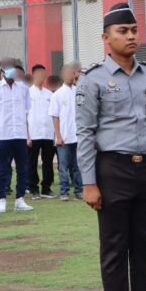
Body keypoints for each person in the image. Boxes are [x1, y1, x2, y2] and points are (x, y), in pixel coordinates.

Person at [75, 3, 146, 291]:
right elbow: (86, 133)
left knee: (145, 250)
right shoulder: (92, 79)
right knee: (115, 251)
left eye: (133, 30)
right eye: (122, 31)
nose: (131, 36)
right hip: (113, 170)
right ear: (106, 37)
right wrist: (89, 182)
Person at [0, 62, 33, 213]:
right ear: (2, 71)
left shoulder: (23, 88)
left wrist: (27, 134)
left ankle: (20, 199)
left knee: (22, 168)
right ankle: (1, 199)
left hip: (19, 134)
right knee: (3, 168)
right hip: (3, 134)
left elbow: (26, 111)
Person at [50, 64, 83, 201]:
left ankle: (79, 190)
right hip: (63, 136)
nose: (71, 75)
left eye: (73, 73)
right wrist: (58, 135)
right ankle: (64, 191)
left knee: (77, 165)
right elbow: (55, 116)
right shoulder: (57, 94)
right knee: (63, 166)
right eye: (69, 73)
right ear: (63, 75)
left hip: (78, 136)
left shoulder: (79, 91)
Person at [27, 64, 55, 200]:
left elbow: (54, 115)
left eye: (44, 74)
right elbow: (24, 115)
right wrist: (27, 136)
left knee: (48, 162)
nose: (42, 77)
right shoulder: (27, 93)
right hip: (33, 134)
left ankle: (46, 187)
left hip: (48, 134)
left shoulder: (49, 94)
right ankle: (33, 188)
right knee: (32, 162)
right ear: (34, 75)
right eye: (39, 74)